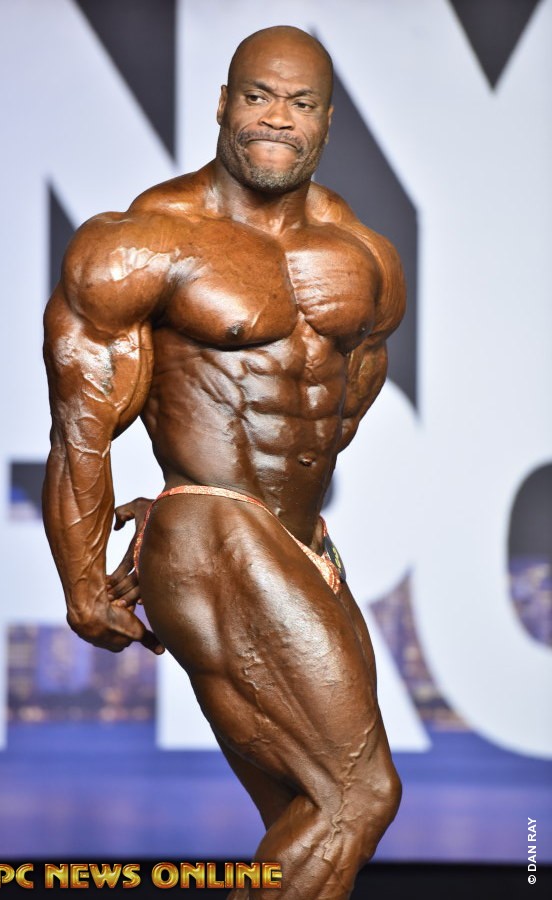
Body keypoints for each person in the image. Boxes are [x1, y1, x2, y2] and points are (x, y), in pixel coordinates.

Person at [43, 25, 405, 898]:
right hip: (214, 530)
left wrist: (284, 526)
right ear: (222, 104)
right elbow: (82, 426)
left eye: (300, 103)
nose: (277, 118)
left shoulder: (363, 257)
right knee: (359, 793)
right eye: (258, 97)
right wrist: (87, 580)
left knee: (311, 816)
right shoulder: (144, 240)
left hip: (298, 544)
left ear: (326, 120)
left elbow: (342, 409)